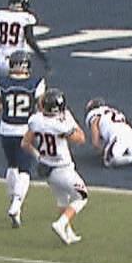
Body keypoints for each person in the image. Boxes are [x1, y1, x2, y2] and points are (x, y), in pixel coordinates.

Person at [21, 87, 88, 245]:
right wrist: (70, 127)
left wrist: (39, 157)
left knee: (62, 200)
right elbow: (81, 139)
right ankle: (61, 223)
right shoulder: (60, 125)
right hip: (62, 168)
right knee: (82, 196)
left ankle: (68, 232)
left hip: (46, 168)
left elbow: (25, 143)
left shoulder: (35, 120)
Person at [0, 50, 46, 227]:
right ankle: (16, 204)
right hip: (25, 130)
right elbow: (41, 107)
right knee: (25, 169)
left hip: (6, 129)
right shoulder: (36, 83)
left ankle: (13, 201)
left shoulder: (1, 81)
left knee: (12, 165)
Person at [0, 0, 49, 82]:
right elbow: (30, 40)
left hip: (3, 60)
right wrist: (42, 57)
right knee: (24, 87)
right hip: (20, 60)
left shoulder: (1, 16)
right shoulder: (26, 18)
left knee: (5, 87)